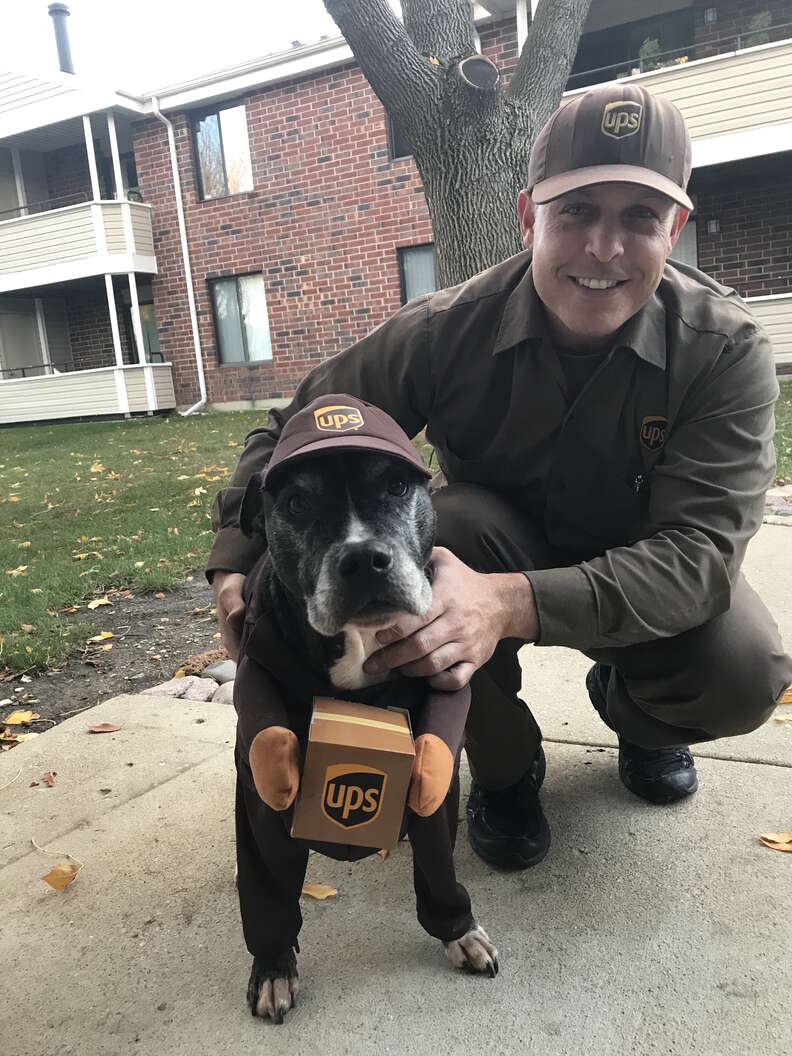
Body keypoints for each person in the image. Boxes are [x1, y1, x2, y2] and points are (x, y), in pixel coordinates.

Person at [207, 83, 792, 870]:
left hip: (640, 563)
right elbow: (291, 429)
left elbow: (698, 559)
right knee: (434, 536)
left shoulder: (724, 352)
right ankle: (505, 766)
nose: (604, 249)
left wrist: (509, 604)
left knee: (745, 669)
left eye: (639, 218)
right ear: (529, 217)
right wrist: (234, 559)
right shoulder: (446, 331)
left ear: (675, 228)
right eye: (578, 211)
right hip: (495, 539)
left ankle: (637, 719)